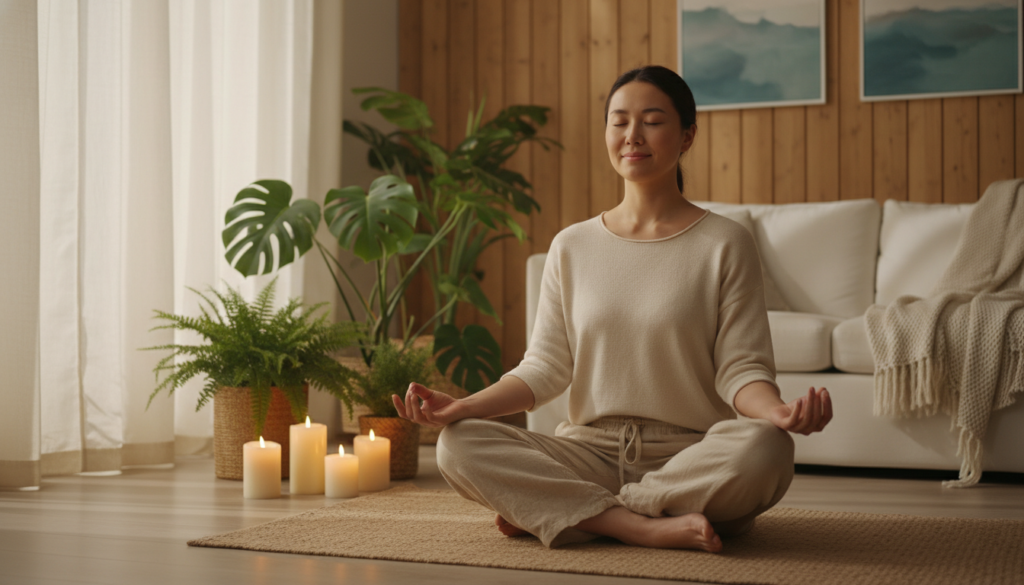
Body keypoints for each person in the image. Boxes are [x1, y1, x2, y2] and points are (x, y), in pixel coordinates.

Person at [391, 65, 832, 552]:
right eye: (619, 121)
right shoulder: (571, 246)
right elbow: (545, 368)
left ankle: (577, 512)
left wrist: (779, 411)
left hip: (688, 455)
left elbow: (741, 367)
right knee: (458, 443)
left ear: (687, 136)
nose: (632, 135)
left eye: (652, 120)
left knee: (767, 447)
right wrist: (462, 406)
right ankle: (640, 524)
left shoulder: (726, 243)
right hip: (586, 451)